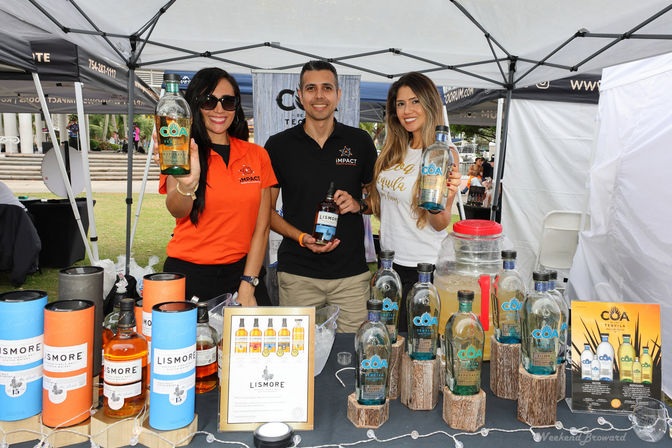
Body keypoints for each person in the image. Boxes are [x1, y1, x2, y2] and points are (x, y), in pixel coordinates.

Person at [265, 60, 377, 332]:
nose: (319, 95)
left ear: (338, 95)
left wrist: (359, 204)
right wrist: (302, 238)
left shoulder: (360, 142)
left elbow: (378, 200)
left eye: (327, 88)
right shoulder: (278, 145)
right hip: (297, 275)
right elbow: (265, 213)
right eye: (311, 88)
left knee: (352, 357)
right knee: (298, 360)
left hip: (351, 276)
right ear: (299, 96)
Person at [156, 67, 276, 306]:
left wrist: (248, 285)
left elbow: (262, 228)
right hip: (190, 274)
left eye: (227, 101)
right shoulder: (183, 150)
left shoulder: (257, 155)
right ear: (194, 105)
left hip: (243, 273)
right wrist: (187, 185)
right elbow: (177, 209)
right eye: (209, 101)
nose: (219, 109)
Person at [367, 72, 461, 331]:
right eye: (400, 104)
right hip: (389, 266)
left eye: (415, 101)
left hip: (423, 269)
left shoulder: (442, 153)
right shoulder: (395, 150)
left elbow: (440, 223)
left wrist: (447, 198)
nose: (407, 110)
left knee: (418, 352)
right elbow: (385, 206)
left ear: (429, 104)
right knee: (387, 342)